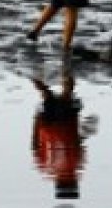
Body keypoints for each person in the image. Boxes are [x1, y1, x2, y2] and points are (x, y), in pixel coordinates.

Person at [31, 72, 86, 200]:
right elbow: (35, 145)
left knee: (67, 95)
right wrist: (38, 119)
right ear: (56, 183)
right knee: (47, 95)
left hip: (66, 121)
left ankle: (68, 72)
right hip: (47, 123)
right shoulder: (46, 168)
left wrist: (76, 115)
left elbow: (77, 139)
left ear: (75, 182)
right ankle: (33, 73)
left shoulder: (76, 165)